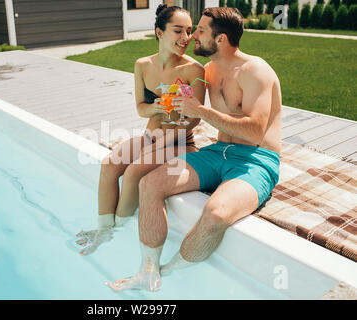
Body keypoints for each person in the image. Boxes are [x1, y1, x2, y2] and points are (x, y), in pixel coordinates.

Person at [106, 7, 282, 292]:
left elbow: (255, 130)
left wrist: (199, 110)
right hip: (217, 152)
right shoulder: (207, 71)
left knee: (216, 214)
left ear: (221, 39)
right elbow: (178, 101)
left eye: (199, 30)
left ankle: (168, 270)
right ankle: (147, 271)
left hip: (256, 160)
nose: (192, 36)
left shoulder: (255, 71)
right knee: (149, 184)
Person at [75, 4, 206, 255]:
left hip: (180, 142)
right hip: (150, 136)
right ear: (159, 32)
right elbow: (140, 108)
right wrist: (157, 107)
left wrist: (170, 135)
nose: (186, 38)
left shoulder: (193, 70)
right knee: (109, 164)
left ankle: (115, 232)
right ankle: (103, 227)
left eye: (189, 31)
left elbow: (196, 119)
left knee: (134, 172)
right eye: (178, 31)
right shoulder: (142, 65)